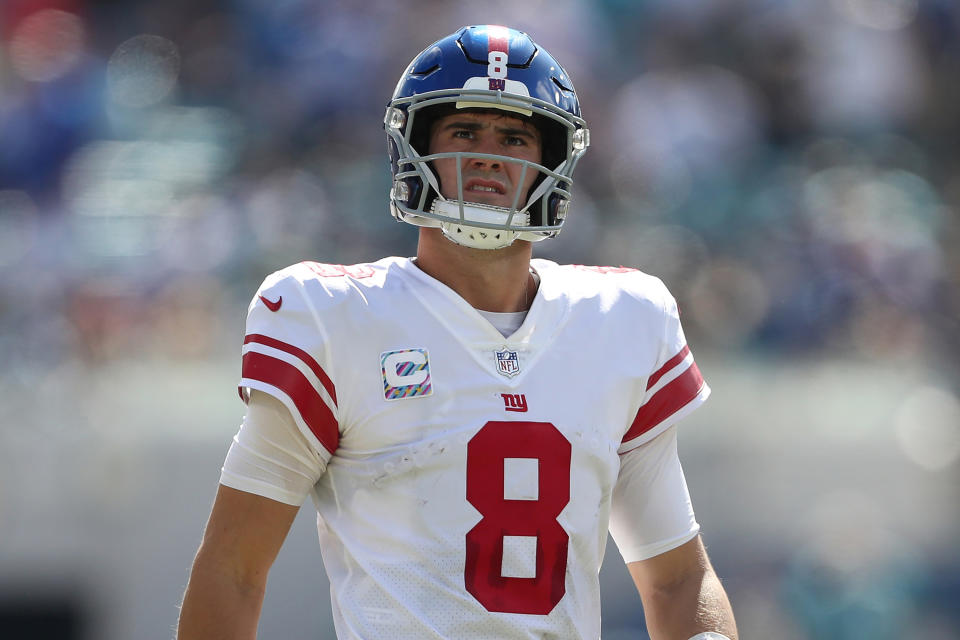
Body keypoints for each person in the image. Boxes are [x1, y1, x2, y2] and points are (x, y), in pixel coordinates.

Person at [177, 24, 738, 640]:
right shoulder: (335, 315)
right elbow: (233, 569)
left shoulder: (622, 319)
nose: (489, 155)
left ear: (550, 161)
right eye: (465, 132)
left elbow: (678, 578)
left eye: (515, 136)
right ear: (416, 147)